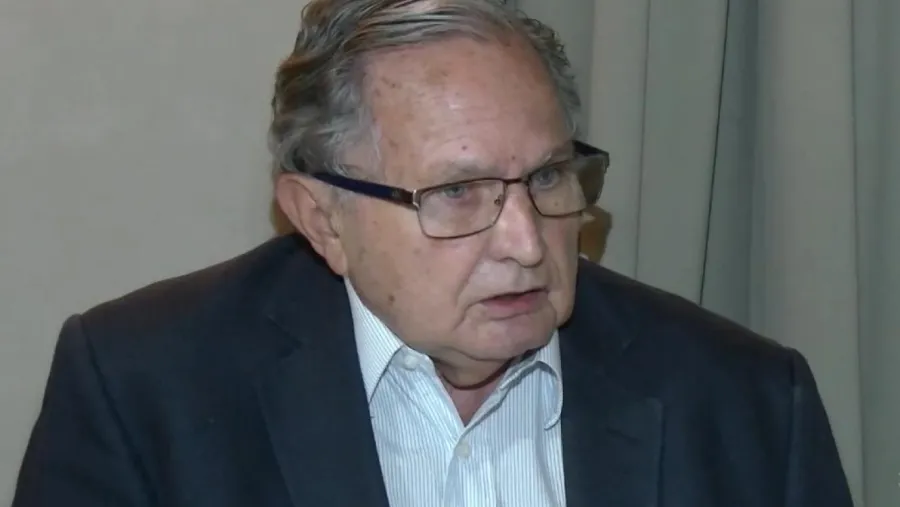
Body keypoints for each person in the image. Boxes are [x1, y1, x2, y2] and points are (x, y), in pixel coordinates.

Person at [13, 1, 854, 506]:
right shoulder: (142, 391)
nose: (525, 241)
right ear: (321, 217)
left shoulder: (744, 403)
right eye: (457, 192)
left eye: (548, 176)